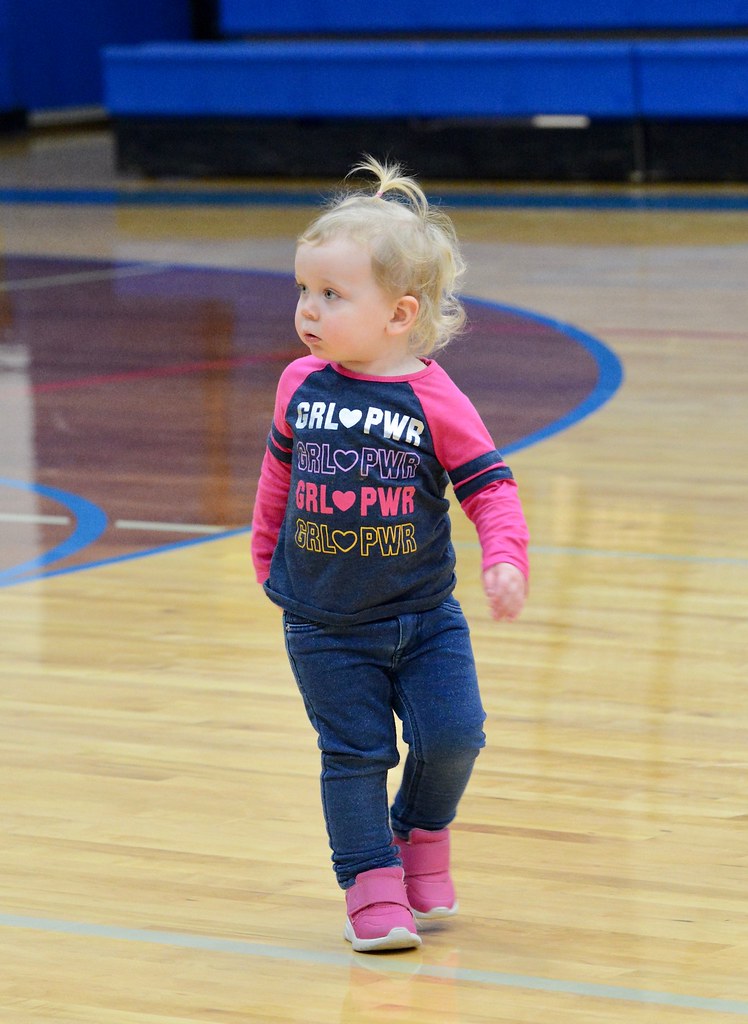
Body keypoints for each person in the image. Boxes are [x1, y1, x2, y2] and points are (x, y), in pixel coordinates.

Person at [251, 156, 529, 953]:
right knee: (354, 753)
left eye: (332, 296)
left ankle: (422, 836)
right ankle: (370, 887)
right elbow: (278, 473)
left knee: (456, 735)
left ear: (400, 313)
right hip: (323, 623)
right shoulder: (299, 385)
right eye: (303, 290)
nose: (308, 310)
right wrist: (265, 551)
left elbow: (491, 489)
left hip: (422, 615)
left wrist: (504, 557)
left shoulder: (435, 400)